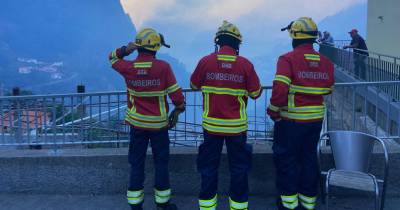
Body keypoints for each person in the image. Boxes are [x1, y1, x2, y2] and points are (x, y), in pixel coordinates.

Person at [109, 28, 185, 210]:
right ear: (156, 47)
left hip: (136, 125)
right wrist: (178, 108)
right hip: (159, 126)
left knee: (136, 163)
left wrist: (126, 50)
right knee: (161, 163)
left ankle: (135, 205)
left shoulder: (128, 68)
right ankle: (163, 204)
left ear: (139, 47)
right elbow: (177, 96)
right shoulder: (163, 67)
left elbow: (112, 58)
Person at [190, 20, 262, 210]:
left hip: (211, 127)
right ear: (237, 44)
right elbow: (256, 93)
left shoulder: (205, 61)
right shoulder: (246, 65)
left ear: (218, 42)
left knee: (208, 168)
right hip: (236, 127)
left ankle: (207, 207)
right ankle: (238, 207)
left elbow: (193, 85)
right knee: (239, 169)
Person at [269, 17, 335, 210]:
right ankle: (308, 203)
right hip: (315, 121)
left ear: (294, 36)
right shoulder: (326, 62)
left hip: (291, 121)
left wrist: (273, 111)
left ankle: (289, 205)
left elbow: (280, 90)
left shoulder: (287, 59)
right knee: (308, 160)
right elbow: (329, 88)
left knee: (287, 161)